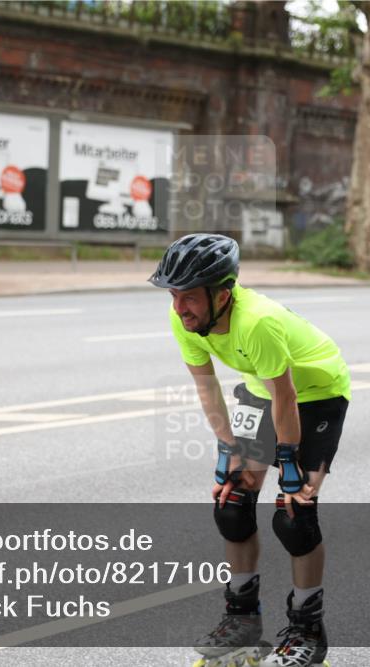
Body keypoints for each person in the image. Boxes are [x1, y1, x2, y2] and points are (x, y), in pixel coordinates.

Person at [149, 234, 350, 667]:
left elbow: (287, 397)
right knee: (232, 503)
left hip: (317, 391)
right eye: (173, 295)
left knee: (294, 514)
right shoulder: (183, 318)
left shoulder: (256, 322)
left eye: (189, 298)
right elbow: (206, 386)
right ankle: (241, 618)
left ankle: (308, 635)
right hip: (265, 390)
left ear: (222, 294)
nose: (180, 307)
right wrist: (227, 452)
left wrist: (289, 463)